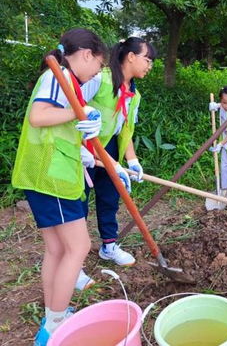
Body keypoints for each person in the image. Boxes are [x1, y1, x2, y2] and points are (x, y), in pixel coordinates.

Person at [11, 28, 107, 346]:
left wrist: (86, 152)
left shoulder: (66, 81)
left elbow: (59, 128)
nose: (98, 72)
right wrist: (79, 113)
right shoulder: (60, 75)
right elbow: (39, 116)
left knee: (56, 248)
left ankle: (52, 317)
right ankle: (55, 324)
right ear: (86, 55)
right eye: (99, 64)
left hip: (44, 174)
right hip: (52, 177)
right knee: (79, 247)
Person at [76, 37, 157, 288]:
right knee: (77, 204)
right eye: (148, 59)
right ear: (131, 56)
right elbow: (72, 111)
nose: (150, 66)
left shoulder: (134, 94)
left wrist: (131, 161)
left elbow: (126, 130)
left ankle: (108, 246)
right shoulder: (99, 80)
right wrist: (79, 147)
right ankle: (73, 264)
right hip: (81, 149)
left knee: (110, 198)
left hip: (108, 148)